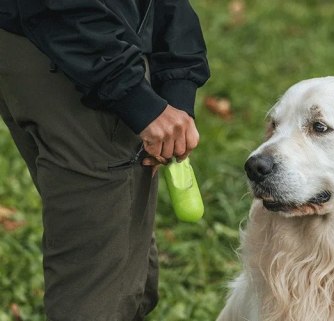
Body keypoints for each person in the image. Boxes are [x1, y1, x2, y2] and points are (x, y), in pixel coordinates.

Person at [0, 0, 209, 320]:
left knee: (122, 261)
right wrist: (130, 91)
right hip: (77, 48)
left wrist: (177, 78)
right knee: (102, 291)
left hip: (56, 37)